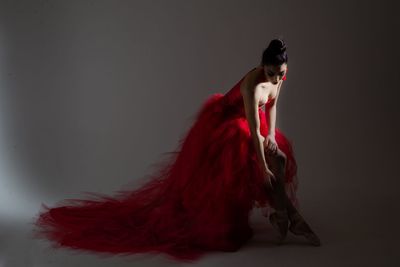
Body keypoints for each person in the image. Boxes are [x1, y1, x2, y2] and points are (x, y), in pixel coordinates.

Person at [31, 38, 320, 263]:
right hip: (227, 124)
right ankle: (288, 218)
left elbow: (272, 108)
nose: (274, 80)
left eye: (279, 74)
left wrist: (272, 135)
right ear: (261, 67)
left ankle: (284, 216)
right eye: (270, 73)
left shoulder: (278, 78)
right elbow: (253, 129)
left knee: (279, 155)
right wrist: (262, 163)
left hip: (252, 127)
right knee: (262, 166)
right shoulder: (254, 87)